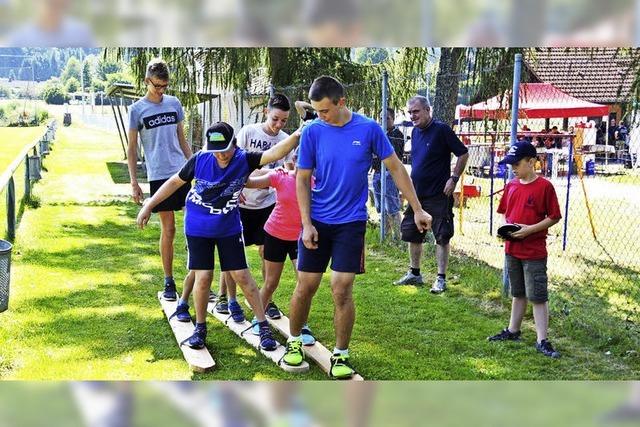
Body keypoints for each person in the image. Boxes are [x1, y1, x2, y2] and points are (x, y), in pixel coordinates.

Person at [281, 76, 432, 378]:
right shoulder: (312, 132)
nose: (319, 116)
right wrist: (306, 223)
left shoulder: (368, 129)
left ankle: (340, 354)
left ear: (341, 102)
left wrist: (417, 208)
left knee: (342, 288)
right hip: (318, 222)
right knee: (306, 286)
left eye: (324, 110)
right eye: (316, 110)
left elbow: (396, 167)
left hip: (350, 222)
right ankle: (295, 341)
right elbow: (301, 178)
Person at [137, 122, 301, 350]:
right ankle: (200, 329)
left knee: (242, 276)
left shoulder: (244, 159)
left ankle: (262, 326)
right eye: (216, 150)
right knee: (203, 278)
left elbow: (276, 152)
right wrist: (149, 204)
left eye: (225, 149)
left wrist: (300, 131)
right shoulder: (200, 159)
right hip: (198, 226)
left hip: (228, 227)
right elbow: (175, 181)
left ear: (234, 144)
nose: (221, 155)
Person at [216, 94, 293, 323]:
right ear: (266, 113)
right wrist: (238, 187)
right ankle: (225, 298)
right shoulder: (249, 132)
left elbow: (288, 171)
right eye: (275, 118)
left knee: (266, 252)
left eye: (284, 121)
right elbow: (233, 161)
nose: (278, 124)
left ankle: (265, 300)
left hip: (267, 204)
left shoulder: (286, 139)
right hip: (240, 201)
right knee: (233, 253)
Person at [487, 141, 562, 359]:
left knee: (537, 296)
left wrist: (529, 230)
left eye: (517, 164)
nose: (513, 168)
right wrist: (506, 229)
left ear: (531, 162)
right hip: (512, 249)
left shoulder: (545, 187)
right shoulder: (511, 185)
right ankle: (513, 330)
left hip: (534, 252)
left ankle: (542, 340)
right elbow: (504, 212)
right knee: (518, 293)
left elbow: (554, 217)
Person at [127, 58, 193, 301]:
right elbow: (132, 148)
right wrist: (134, 182)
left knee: (194, 225)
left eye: (165, 86)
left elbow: (182, 139)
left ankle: (195, 276)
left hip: (181, 171)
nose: (161, 90)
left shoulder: (174, 103)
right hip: (158, 175)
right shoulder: (136, 110)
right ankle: (168, 281)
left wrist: (195, 165)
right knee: (170, 228)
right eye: (157, 86)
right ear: (147, 81)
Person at [393, 95, 469, 294]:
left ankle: (441, 278)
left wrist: (453, 178)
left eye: (416, 111)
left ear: (428, 110)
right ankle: (415, 273)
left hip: (438, 194)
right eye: (410, 113)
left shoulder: (442, 130)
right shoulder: (415, 133)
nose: (412, 116)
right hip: (417, 195)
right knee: (412, 233)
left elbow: (463, 153)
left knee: (442, 236)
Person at [243, 149, 316, 345]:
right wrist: (245, 165)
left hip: (300, 237)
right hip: (275, 234)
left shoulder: (316, 183)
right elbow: (250, 182)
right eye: (301, 161)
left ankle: (302, 325)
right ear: (294, 161)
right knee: (271, 282)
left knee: (305, 284)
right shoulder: (280, 177)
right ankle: (258, 319)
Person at [371, 107, 404, 240]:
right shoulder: (378, 133)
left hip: (389, 174)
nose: (383, 121)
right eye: (381, 118)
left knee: (392, 208)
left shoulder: (397, 134)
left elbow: (394, 157)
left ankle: (398, 237)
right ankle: (385, 236)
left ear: (393, 119)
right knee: (381, 208)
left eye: (387, 118)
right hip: (377, 173)